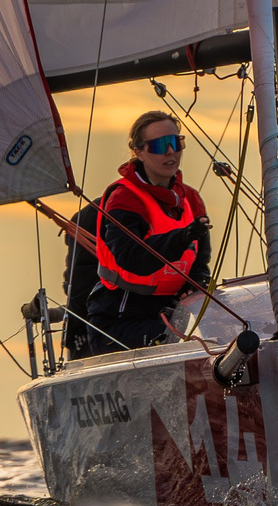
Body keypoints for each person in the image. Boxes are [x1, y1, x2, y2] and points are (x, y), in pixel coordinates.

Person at [82, 110, 214, 353]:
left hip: (169, 315)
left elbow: (199, 264)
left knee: (222, 338)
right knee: (177, 344)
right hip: (120, 319)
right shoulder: (124, 198)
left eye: (176, 143)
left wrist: (196, 289)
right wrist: (182, 237)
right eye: (159, 145)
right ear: (138, 151)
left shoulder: (191, 199)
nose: (170, 152)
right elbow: (132, 258)